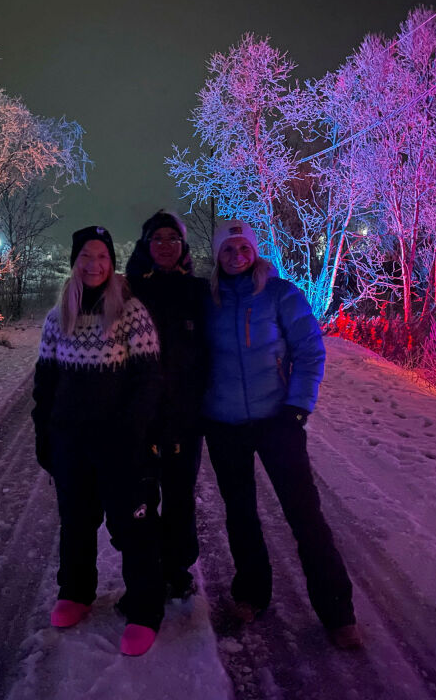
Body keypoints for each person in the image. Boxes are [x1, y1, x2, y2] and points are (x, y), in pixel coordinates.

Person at [203, 219, 363, 650]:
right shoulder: (208, 300)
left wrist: (297, 407)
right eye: (228, 249)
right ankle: (251, 594)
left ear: (254, 250)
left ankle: (337, 612)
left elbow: (311, 351)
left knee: (304, 514)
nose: (237, 255)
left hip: (278, 421)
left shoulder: (280, 294)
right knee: (241, 514)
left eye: (243, 247)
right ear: (217, 256)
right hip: (224, 425)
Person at [31, 225, 166, 657]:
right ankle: (75, 592)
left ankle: (145, 610)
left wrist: (134, 432)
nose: (95, 265)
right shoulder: (59, 317)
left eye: (102, 257)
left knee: (132, 528)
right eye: (87, 257)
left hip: (120, 444)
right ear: (75, 263)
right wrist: (44, 433)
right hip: (71, 441)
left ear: (112, 262)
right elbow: (46, 384)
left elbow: (149, 380)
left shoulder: (129, 311)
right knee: (76, 522)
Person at [125, 210, 210, 600]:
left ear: (183, 247)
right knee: (139, 499)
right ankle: (144, 572)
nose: (164, 246)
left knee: (179, 497)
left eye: (172, 239)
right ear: (146, 245)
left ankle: (176, 568)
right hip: (138, 418)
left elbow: (211, 353)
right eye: (157, 238)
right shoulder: (127, 292)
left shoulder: (198, 292)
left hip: (184, 418)